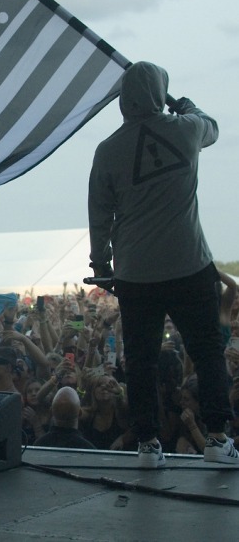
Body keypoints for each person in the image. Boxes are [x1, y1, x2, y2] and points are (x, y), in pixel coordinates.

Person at [88, 61, 239, 467]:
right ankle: (218, 438)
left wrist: (101, 263)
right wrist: (186, 104)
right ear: (160, 91)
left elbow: (99, 215)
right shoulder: (185, 130)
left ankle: (148, 445)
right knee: (207, 352)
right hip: (190, 264)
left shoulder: (107, 150)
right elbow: (211, 125)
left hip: (135, 273)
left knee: (140, 360)